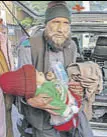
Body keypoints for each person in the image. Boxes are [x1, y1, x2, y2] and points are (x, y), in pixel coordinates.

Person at [16, 1, 93, 137]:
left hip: (67, 109)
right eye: (56, 22)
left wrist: (77, 87)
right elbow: (19, 86)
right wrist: (29, 100)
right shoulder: (28, 47)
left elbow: (70, 77)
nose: (61, 29)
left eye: (65, 23)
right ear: (46, 24)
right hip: (40, 117)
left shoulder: (71, 47)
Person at [0, 64, 81, 132]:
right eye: (38, 74)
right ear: (32, 84)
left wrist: (50, 78)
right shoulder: (43, 94)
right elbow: (55, 104)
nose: (41, 73)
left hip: (67, 101)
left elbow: (50, 85)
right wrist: (68, 110)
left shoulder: (42, 86)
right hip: (61, 115)